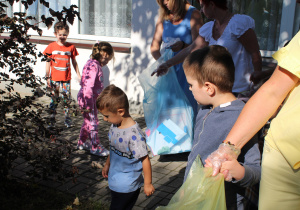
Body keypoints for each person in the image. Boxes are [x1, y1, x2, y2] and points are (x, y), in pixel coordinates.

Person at [206, 31, 300, 209]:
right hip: (284, 157)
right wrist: (227, 149)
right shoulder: (204, 114)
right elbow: (272, 92)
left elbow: (253, 171)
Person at [183, 45, 261, 209]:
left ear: (208, 88)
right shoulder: (205, 108)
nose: (189, 89)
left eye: (191, 84)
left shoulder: (242, 118)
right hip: (196, 199)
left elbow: (256, 171)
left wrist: (238, 171)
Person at [153, 0, 262, 97]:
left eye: (202, 6)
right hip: (220, 90)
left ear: (212, 4)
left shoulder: (238, 23)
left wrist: (256, 83)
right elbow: (191, 49)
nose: (200, 10)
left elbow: (255, 53)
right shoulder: (209, 28)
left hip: (240, 91)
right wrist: (167, 64)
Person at [96, 85, 155, 210]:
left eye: (106, 116)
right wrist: (107, 164)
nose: (104, 119)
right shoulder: (115, 126)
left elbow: (145, 159)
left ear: (121, 111)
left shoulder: (134, 135)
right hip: (115, 180)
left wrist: (148, 183)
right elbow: (113, 148)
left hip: (128, 185)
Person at [151, 0, 203, 113]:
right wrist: (163, 63)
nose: (164, 2)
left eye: (167, 0)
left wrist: (183, 45)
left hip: (187, 70)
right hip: (168, 70)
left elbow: (200, 46)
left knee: (185, 109)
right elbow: (154, 48)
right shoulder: (163, 16)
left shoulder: (194, 14)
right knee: (166, 110)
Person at [76, 42, 114, 156]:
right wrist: (88, 104)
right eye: (107, 60)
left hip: (87, 99)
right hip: (88, 100)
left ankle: (82, 142)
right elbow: (88, 87)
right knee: (93, 123)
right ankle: (95, 147)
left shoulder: (91, 63)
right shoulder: (94, 66)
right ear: (104, 55)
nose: (107, 63)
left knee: (87, 121)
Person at [44, 21, 81, 128]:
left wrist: (79, 75)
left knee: (66, 100)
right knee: (54, 99)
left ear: (68, 34)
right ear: (55, 34)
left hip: (66, 79)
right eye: (60, 34)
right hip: (54, 78)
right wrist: (47, 76)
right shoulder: (51, 47)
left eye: (64, 34)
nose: (62, 37)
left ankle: (67, 120)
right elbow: (47, 62)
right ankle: (51, 120)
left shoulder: (71, 47)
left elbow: (74, 62)